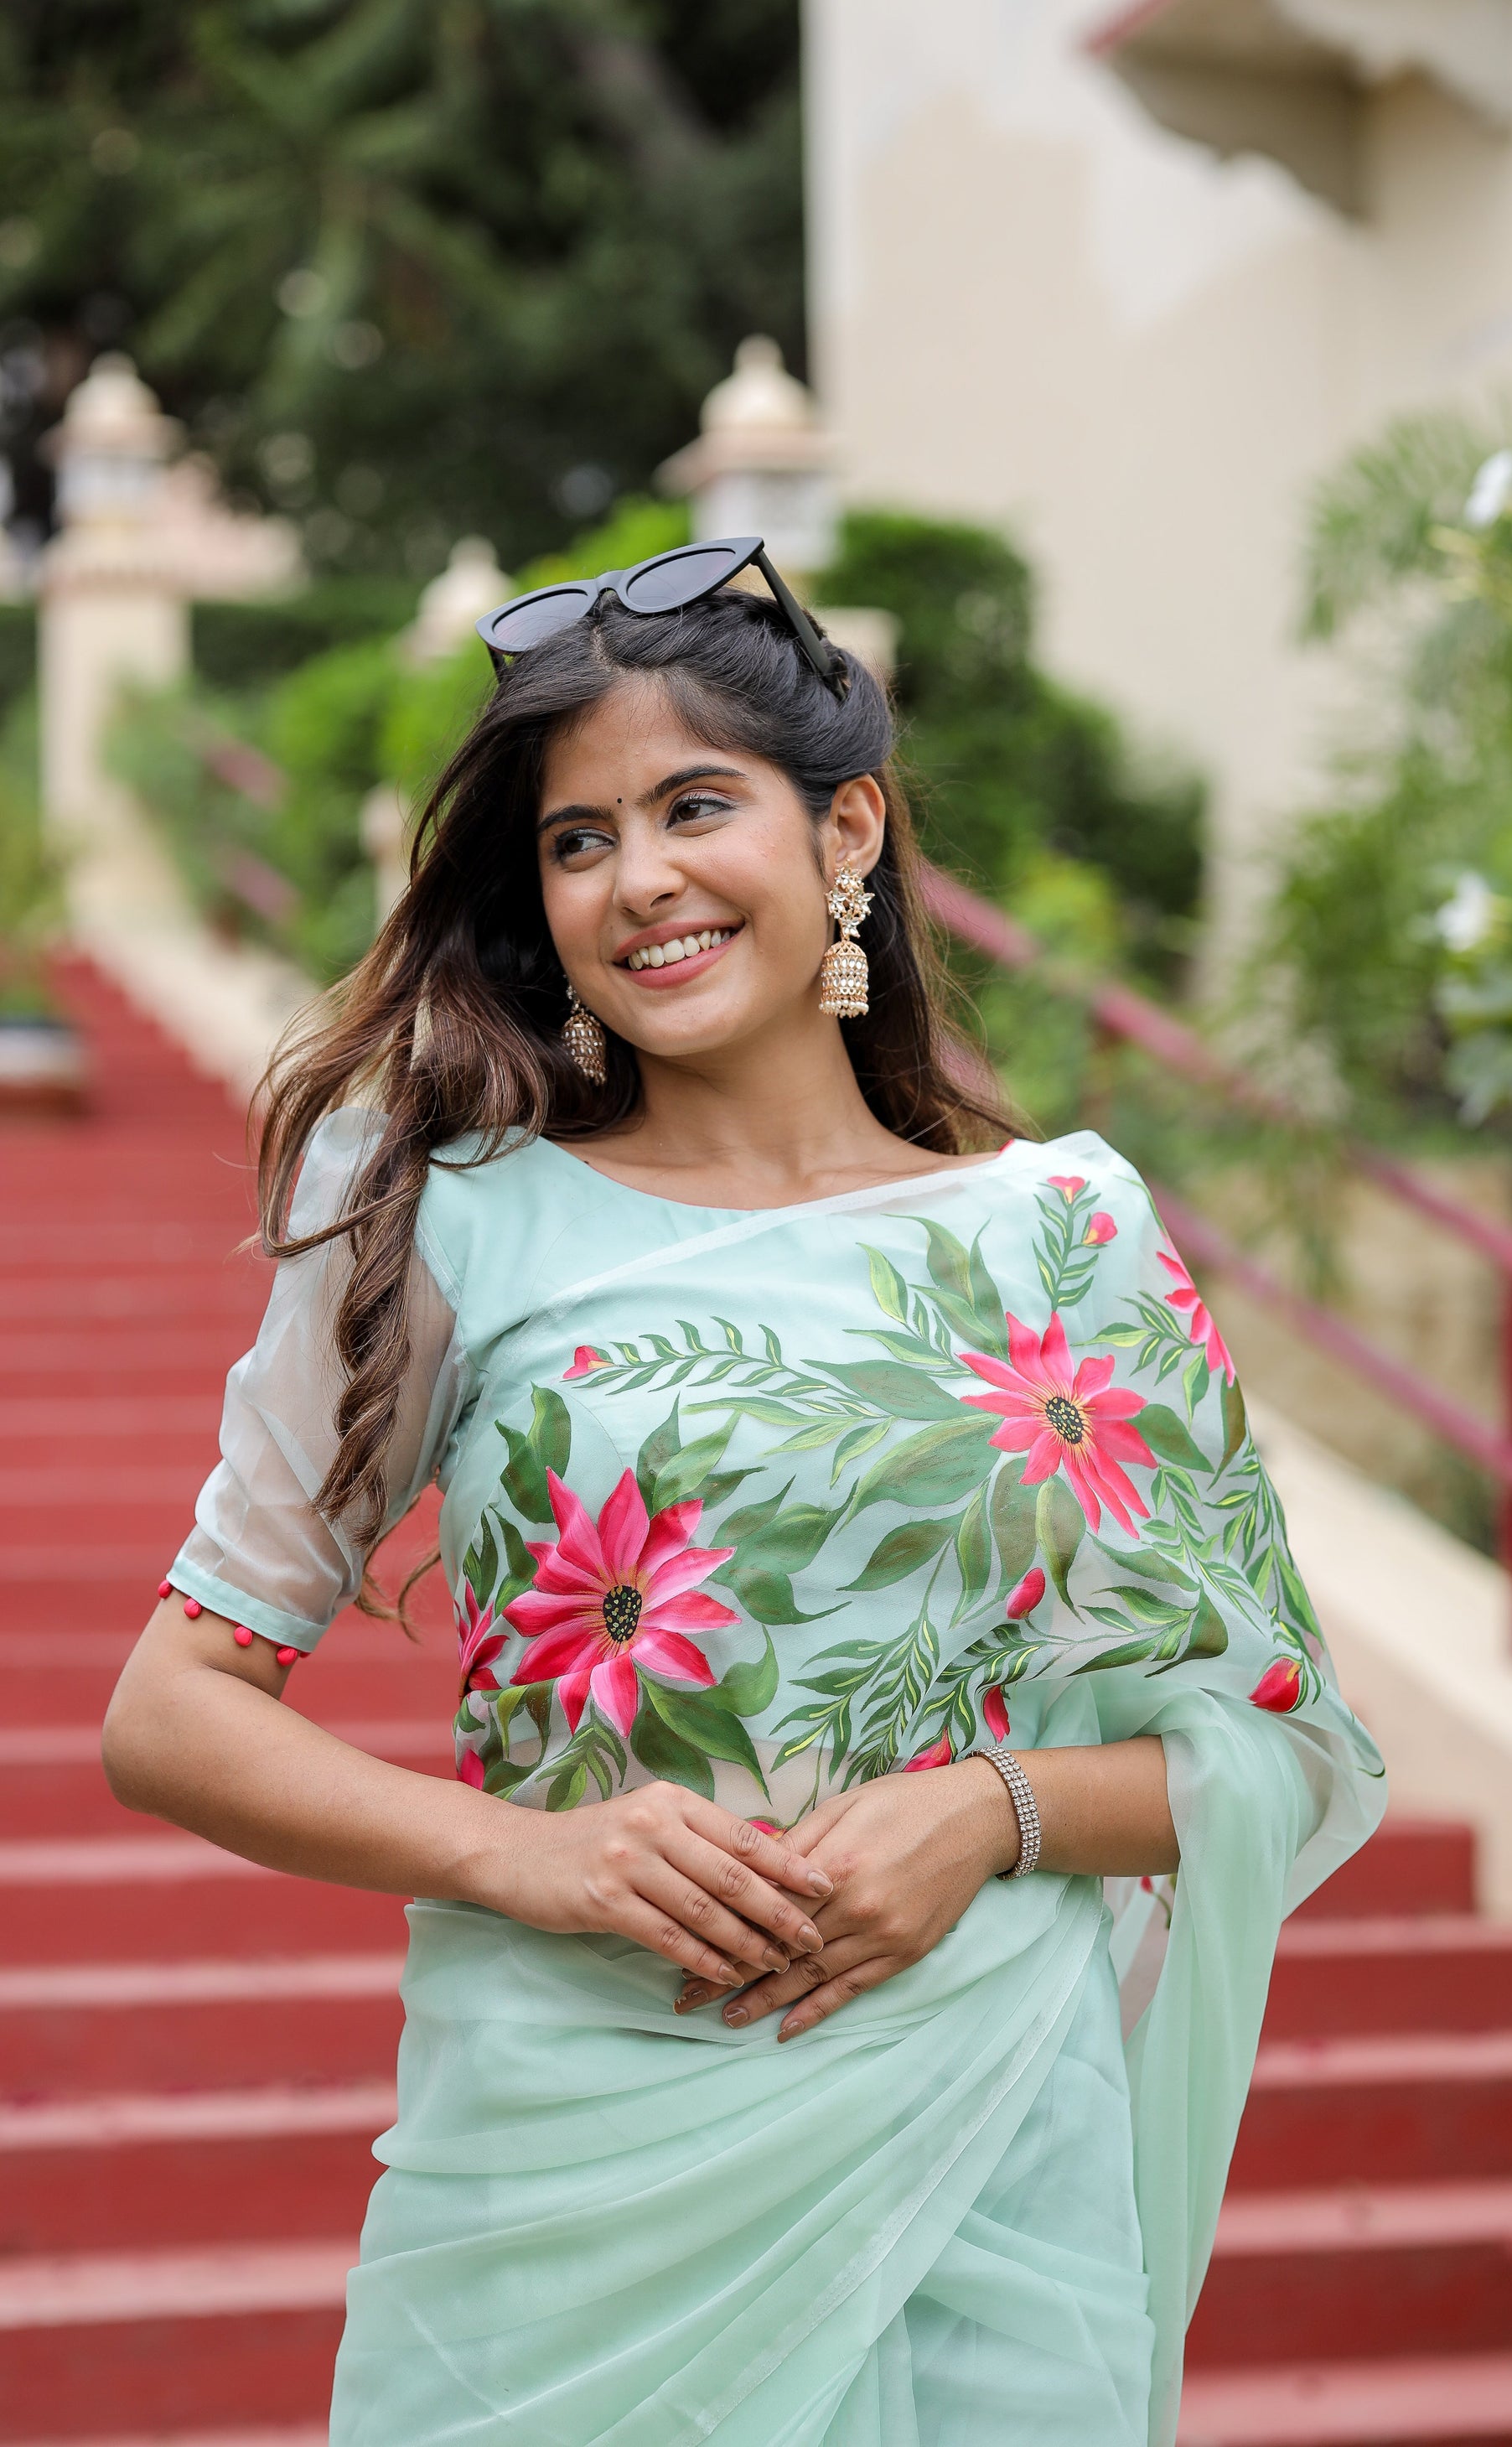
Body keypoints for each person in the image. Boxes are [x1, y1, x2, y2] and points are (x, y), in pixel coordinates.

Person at [103, 541, 1385, 2447]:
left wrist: (995, 1806)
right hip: (563, 2184)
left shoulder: (1064, 1236)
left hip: (986, 2158)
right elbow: (168, 1709)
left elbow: (1291, 1746)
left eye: (696, 805)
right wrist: (521, 1853)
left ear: (844, 825)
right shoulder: (444, 1209)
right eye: (578, 839)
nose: (640, 880)